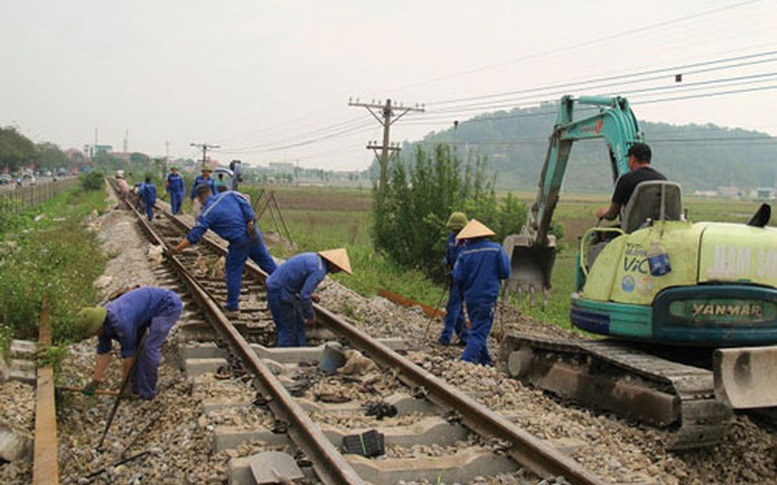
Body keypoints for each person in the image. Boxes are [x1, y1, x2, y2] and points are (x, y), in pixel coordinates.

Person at [174, 184, 277, 314]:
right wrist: (250, 220)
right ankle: (293, 287)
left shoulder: (207, 212)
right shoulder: (230, 194)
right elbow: (245, 203)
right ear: (211, 192)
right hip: (254, 234)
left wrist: (177, 249)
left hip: (239, 242)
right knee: (269, 265)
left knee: (233, 269)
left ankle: (232, 305)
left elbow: (195, 235)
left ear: (200, 198)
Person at [78, 287, 183, 400]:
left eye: (92, 332)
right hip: (144, 311)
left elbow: (129, 357)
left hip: (167, 305)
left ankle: (147, 394)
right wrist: (95, 381)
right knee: (138, 346)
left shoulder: (120, 322)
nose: (92, 334)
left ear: (97, 326)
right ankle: (136, 388)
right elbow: (103, 353)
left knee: (148, 348)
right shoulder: (102, 325)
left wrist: (124, 384)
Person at [452, 219, 511, 366]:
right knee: (479, 330)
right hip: (488, 296)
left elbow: (458, 277)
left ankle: (485, 360)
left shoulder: (464, 253)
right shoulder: (496, 249)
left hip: (471, 297)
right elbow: (505, 272)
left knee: (478, 326)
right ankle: (466, 362)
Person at [266, 249, 352, 347]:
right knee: (288, 330)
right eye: (339, 269)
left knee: (297, 325)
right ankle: (282, 357)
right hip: (280, 292)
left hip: (277, 288)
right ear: (334, 265)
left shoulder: (313, 258)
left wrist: (310, 296)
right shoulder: (319, 271)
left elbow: (295, 279)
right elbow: (304, 296)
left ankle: (301, 352)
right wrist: (310, 315)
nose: (338, 272)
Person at [596, 142, 666, 221]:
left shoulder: (625, 180)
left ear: (633, 159)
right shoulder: (663, 180)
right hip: (657, 229)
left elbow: (612, 215)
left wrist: (603, 213)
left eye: (628, 158)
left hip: (634, 231)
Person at [437, 212, 469, 347]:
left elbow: (465, 261)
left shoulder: (468, 241)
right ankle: (465, 338)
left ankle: (445, 338)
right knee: (457, 310)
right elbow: (448, 254)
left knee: (452, 307)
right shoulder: (451, 238)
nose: (454, 231)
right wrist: (445, 261)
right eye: (453, 229)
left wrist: (455, 272)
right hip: (453, 277)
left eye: (457, 229)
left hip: (462, 279)